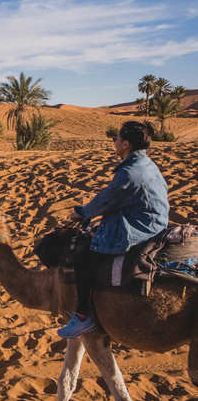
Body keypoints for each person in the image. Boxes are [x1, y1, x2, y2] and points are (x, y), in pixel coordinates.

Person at [57, 121, 169, 338]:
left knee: (85, 256)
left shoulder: (130, 173)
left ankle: (83, 316)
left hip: (141, 226)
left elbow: (106, 200)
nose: (114, 142)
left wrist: (82, 213)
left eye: (116, 138)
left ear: (125, 144)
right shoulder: (146, 164)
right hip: (152, 219)